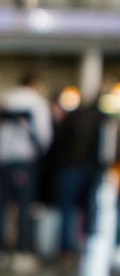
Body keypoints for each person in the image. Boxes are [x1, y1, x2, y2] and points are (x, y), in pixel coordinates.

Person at [0, 73, 52, 269]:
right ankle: (21, 251)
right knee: (24, 207)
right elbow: (44, 134)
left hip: (2, 160)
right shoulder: (37, 102)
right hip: (24, 159)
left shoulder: (6, 99)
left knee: (1, 206)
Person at [49, 96, 117, 257]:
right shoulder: (103, 119)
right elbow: (108, 149)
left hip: (70, 166)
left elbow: (58, 140)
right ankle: (88, 246)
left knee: (67, 209)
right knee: (90, 209)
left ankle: (66, 249)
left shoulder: (73, 117)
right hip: (92, 168)